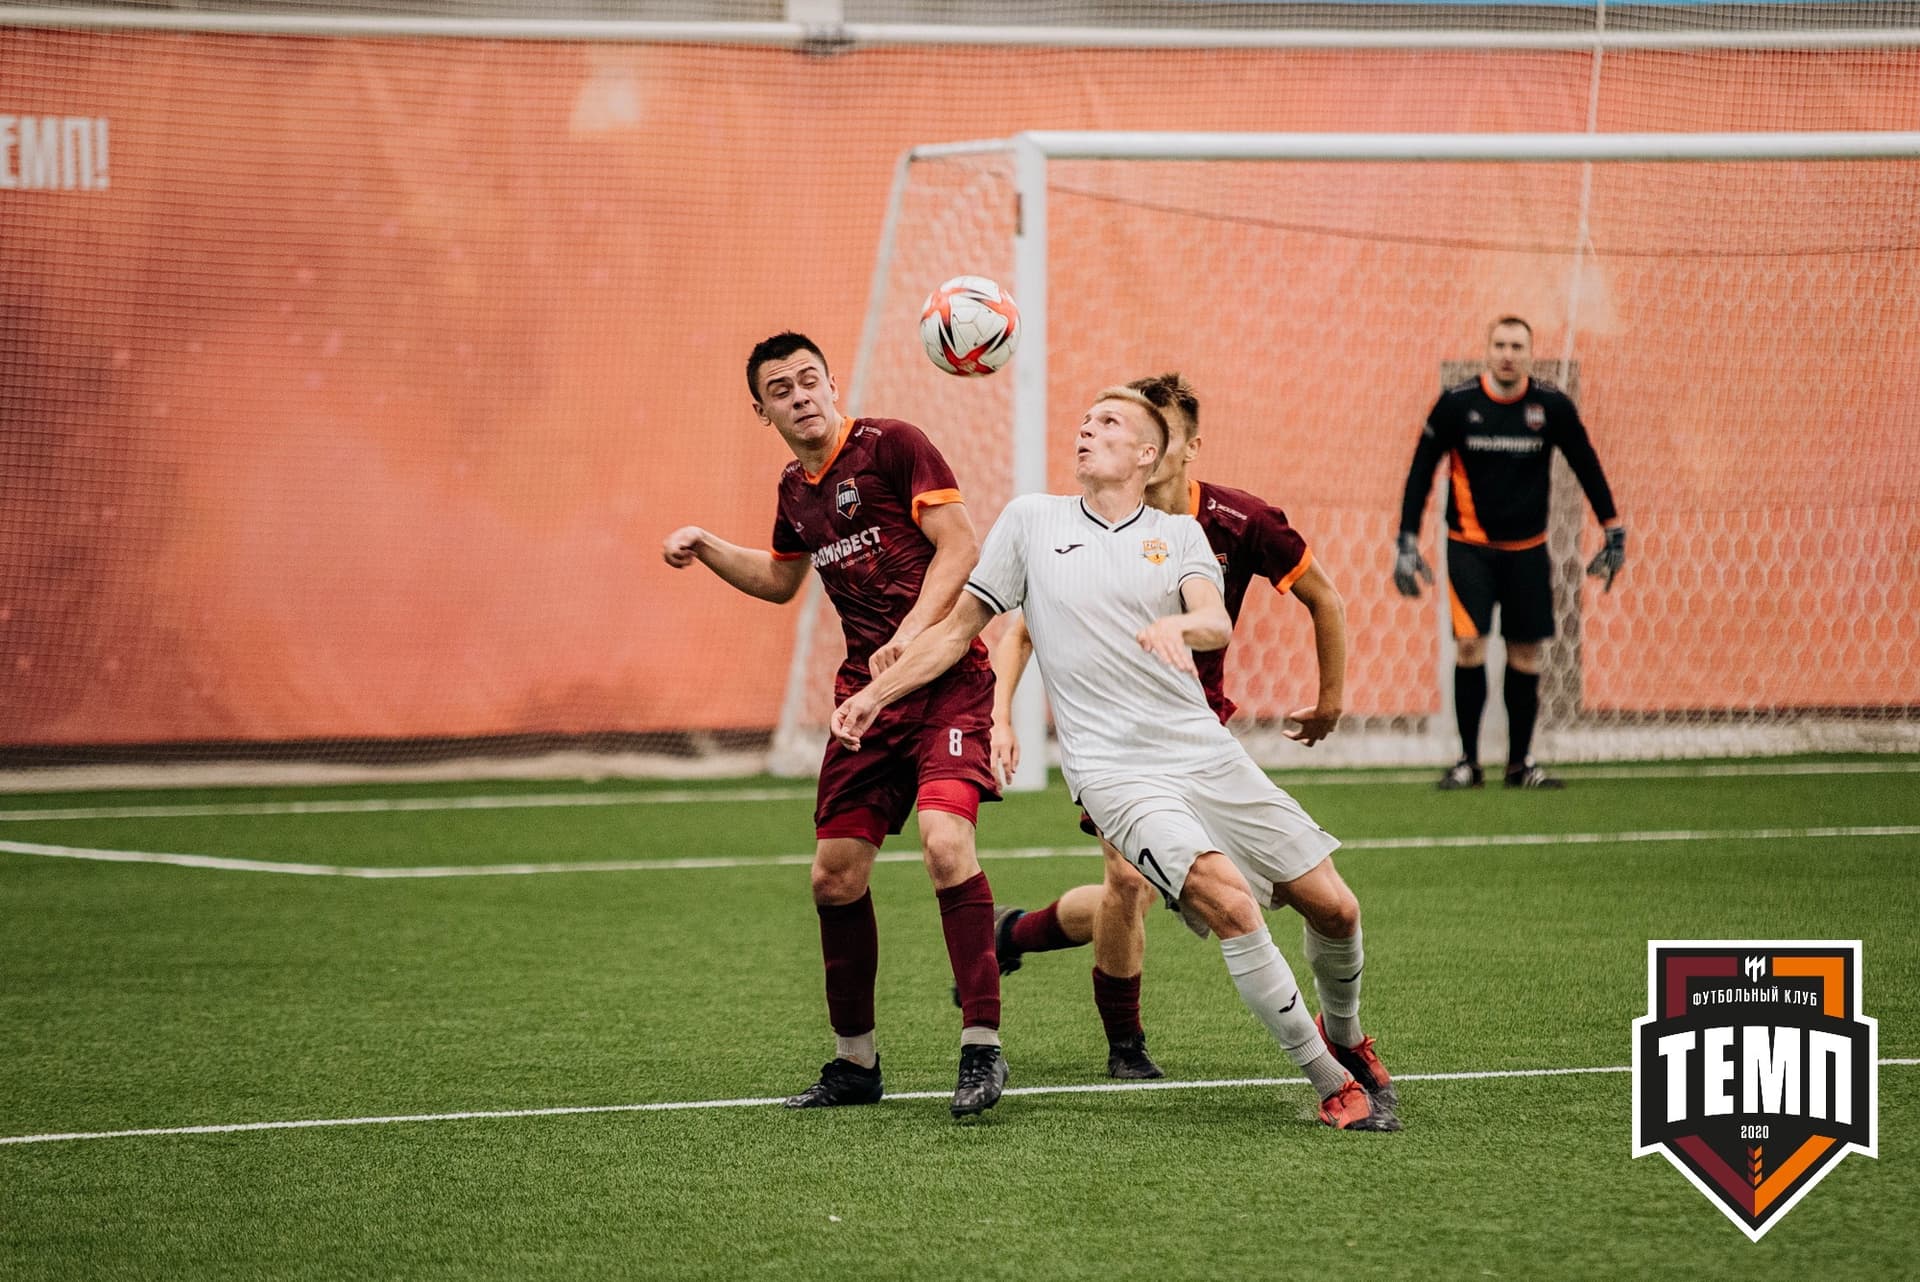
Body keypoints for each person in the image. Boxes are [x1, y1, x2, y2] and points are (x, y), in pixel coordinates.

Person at [832, 384, 1400, 1131]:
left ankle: (1347, 1035)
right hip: (1116, 774)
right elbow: (957, 630)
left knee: (1336, 907)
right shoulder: (1031, 521)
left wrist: (1185, 630)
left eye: (1109, 422)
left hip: (1203, 751)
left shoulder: (1179, 533)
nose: (1086, 429)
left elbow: (1211, 618)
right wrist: (883, 693)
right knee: (1228, 902)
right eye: (1084, 420)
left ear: (1147, 454)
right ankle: (1331, 1083)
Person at [984, 374, 1387, 1105]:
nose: (1117, 436)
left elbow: (1311, 598)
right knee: (1134, 884)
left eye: (1143, 428)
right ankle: (1126, 1043)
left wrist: (1329, 701)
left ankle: (1013, 932)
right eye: (1104, 422)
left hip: (1200, 734)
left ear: (1174, 449)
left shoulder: (1221, 524)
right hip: (1113, 749)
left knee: (1329, 905)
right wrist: (1000, 711)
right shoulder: (1057, 526)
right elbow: (1018, 626)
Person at [661, 331, 1008, 1119]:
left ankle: (981, 1050)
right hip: (868, 699)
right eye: (781, 389)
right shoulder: (795, 490)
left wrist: (910, 637)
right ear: (763, 411)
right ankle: (856, 1065)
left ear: (831, 383)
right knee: (834, 877)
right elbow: (784, 582)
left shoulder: (894, 447)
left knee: (946, 845)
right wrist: (708, 545)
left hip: (946, 682)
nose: (801, 396)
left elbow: (961, 548)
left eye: (810, 380)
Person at [1394, 315, 1626, 790]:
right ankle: (1468, 762)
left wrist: (1613, 528)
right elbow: (1420, 471)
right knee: (1470, 645)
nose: (1507, 353)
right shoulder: (1456, 406)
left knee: (1525, 652)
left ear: (1529, 353)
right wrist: (1406, 539)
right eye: (1499, 344)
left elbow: (1586, 462)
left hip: (1528, 551)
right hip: (1469, 549)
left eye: (1517, 346)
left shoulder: (1551, 406)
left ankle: (1520, 764)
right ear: (1487, 350)